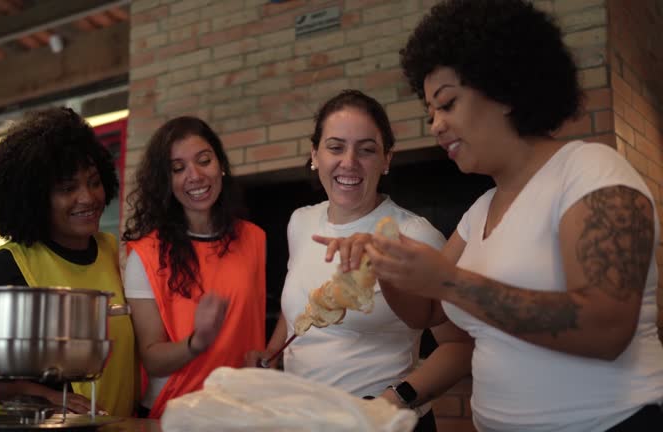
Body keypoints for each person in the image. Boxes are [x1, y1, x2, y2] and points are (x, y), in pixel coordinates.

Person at [344, 1, 663, 431]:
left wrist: (447, 279)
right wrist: (384, 266)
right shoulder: (480, 211)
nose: (436, 125)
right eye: (430, 112)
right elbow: (428, 314)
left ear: (505, 89)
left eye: (448, 103)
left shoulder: (590, 171)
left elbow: (605, 328)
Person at [251, 90, 473, 432]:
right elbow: (298, 301)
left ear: (386, 160)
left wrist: (394, 400)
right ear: (315, 155)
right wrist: (272, 350)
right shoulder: (300, 222)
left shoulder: (414, 235)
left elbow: (459, 346)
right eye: (336, 147)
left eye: (366, 150)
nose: (349, 162)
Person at [0, 107, 137, 417]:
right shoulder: (8, 265)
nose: (87, 198)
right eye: (67, 189)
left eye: (93, 182)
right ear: (34, 198)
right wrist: (46, 396)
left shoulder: (112, 251)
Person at [122, 116, 266, 419]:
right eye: (178, 168)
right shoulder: (146, 254)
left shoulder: (254, 239)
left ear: (221, 165)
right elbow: (152, 359)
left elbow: (253, 330)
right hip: (175, 412)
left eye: (204, 160)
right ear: (165, 181)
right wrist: (196, 343)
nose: (196, 175)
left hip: (244, 411)